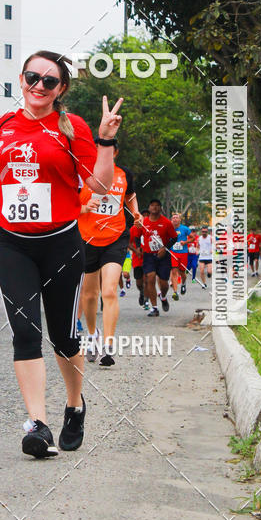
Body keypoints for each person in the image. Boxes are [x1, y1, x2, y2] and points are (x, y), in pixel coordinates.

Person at [0, 50, 121, 458]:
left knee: (64, 336)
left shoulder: (72, 128)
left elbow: (99, 186)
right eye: (32, 76)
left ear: (60, 89)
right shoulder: (4, 126)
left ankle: (73, 405)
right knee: (26, 332)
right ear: (21, 78)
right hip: (12, 242)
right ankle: (37, 422)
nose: (38, 85)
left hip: (61, 244)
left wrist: (105, 139)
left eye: (48, 81)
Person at [78, 144, 139, 367]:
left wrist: (136, 211)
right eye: (98, 151)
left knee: (109, 290)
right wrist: (84, 208)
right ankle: (93, 335)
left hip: (116, 237)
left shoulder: (125, 175)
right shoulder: (83, 174)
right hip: (87, 239)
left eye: (108, 151)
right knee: (90, 294)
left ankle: (108, 344)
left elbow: (131, 196)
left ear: (115, 153)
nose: (103, 154)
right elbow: (66, 203)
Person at [139, 199, 177, 317]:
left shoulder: (166, 223)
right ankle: (154, 308)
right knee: (150, 278)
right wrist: (139, 248)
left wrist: (165, 248)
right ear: (149, 208)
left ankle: (163, 297)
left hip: (163, 256)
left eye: (157, 206)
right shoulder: (143, 222)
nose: (154, 207)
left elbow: (174, 238)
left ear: (160, 208)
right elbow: (136, 234)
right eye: (152, 205)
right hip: (149, 255)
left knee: (164, 283)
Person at [129, 216, 148, 309]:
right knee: (139, 282)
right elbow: (128, 242)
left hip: (148, 258)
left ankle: (146, 299)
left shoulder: (149, 228)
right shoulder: (133, 229)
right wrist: (135, 250)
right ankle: (141, 292)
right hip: (137, 259)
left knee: (147, 280)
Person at [169, 212, 190, 300]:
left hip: (183, 252)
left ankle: (183, 283)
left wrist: (184, 242)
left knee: (182, 272)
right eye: (173, 218)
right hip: (173, 252)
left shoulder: (185, 229)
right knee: (174, 272)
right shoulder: (169, 228)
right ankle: (175, 292)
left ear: (180, 220)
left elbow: (192, 237)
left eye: (177, 217)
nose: (175, 219)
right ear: (171, 220)